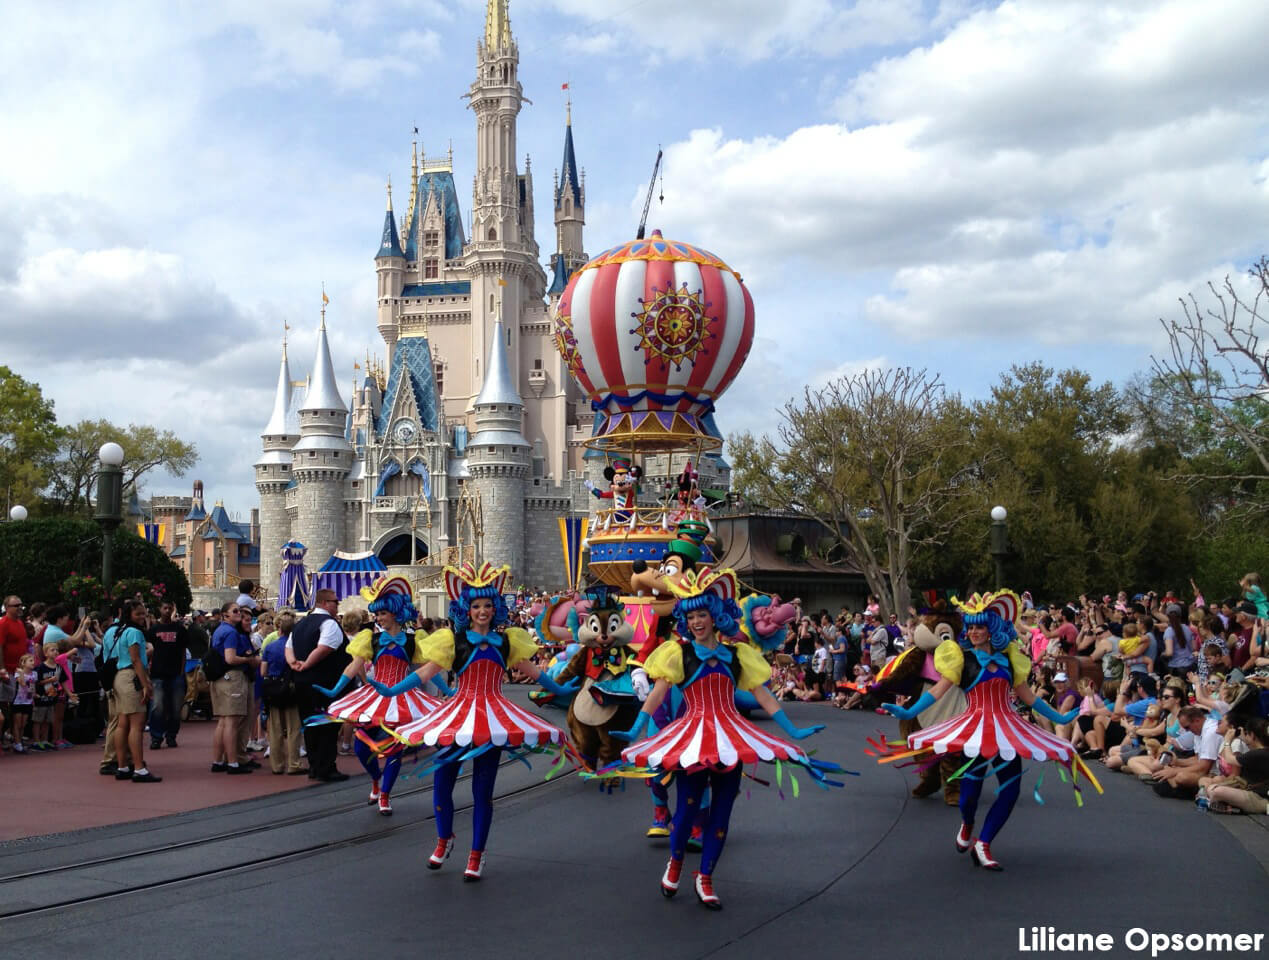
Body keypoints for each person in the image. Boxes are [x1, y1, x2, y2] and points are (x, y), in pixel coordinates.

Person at [610, 567, 837, 909]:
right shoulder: (678, 654)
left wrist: (791, 730)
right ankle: (675, 861)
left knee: (721, 812)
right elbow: (657, 695)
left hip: (729, 738)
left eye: (703, 614)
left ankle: (706, 877)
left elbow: (762, 695)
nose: (697, 621)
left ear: (715, 616)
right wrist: (635, 730)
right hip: (693, 738)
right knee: (686, 810)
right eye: (692, 615)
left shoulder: (735, 656)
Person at [372, 562, 572, 881]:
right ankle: (444, 838)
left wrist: (563, 689)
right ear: (466, 608)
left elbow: (537, 675)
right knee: (442, 784)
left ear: (496, 608)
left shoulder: (507, 642)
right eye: (477, 605)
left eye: (488, 605)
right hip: (458, 717)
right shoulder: (453, 641)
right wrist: (392, 689)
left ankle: (477, 854)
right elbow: (425, 673)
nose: (483, 611)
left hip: (492, 721)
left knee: (483, 792)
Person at [881, 590, 1092, 871]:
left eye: (980, 626)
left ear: (992, 628)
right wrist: (909, 712)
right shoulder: (961, 659)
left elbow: (1029, 697)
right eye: (971, 627)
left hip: (1006, 729)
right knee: (968, 796)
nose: (974, 632)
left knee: (1010, 789)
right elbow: (937, 692)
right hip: (975, 731)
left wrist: (1060, 718)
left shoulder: (1009, 659)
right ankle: (967, 824)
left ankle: (984, 843)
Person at [314, 577, 441, 814]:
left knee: (394, 749)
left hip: (401, 698)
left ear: (395, 613)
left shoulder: (415, 641)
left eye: (383, 613)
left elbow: (428, 670)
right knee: (362, 748)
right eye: (377, 614)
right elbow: (353, 666)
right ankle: (375, 779)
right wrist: (335, 689)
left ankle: (385, 794)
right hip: (373, 698)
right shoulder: (370, 639)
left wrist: (449, 691)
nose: (379, 618)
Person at [287, 589, 350, 782]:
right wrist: (307, 663)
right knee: (327, 725)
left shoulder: (300, 624)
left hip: (302, 681)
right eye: (335, 601)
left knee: (310, 724)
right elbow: (324, 648)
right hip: (325, 682)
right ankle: (326, 767)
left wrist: (293, 663)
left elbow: (288, 647)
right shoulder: (329, 623)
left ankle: (314, 766)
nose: (337, 605)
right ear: (323, 602)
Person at [111, 599, 161, 782]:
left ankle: (122, 766)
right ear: (129, 614)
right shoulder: (134, 632)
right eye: (138, 614)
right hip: (132, 677)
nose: (142, 617)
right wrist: (145, 684)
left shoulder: (121, 630)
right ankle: (139, 768)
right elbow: (136, 660)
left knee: (123, 723)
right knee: (137, 725)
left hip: (120, 677)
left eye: (144, 613)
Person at [210, 602, 259, 774]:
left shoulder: (219, 630)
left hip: (220, 677)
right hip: (232, 676)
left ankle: (218, 760)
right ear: (225, 615)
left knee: (223, 722)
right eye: (235, 611)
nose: (239, 613)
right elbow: (230, 658)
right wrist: (247, 660)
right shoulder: (230, 632)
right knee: (231, 722)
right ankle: (232, 762)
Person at [260, 611, 305, 776]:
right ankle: (294, 763)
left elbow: (263, 671)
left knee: (275, 728)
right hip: (291, 688)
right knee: (294, 728)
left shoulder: (270, 646)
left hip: (273, 687)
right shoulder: (297, 648)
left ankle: (277, 764)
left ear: (279, 629)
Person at [147, 600, 189, 749]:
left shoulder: (180, 629)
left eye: (169, 608)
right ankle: (156, 737)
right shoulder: (153, 630)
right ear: (160, 609)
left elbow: (183, 652)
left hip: (176, 673)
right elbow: (148, 651)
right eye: (165, 608)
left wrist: (182, 671)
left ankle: (171, 735)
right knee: (157, 705)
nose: (167, 611)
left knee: (175, 707)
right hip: (157, 674)